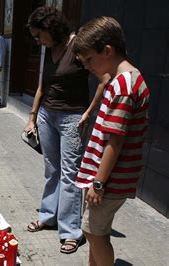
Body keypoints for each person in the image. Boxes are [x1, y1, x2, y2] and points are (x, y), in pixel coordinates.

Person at [24, 6, 107, 254]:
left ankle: (71, 231)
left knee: (70, 174)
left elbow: (104, 79)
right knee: (52, 170)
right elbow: (42, 86)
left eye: (40, 35)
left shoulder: (77, 45)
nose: (38, 41)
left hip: (72, 118)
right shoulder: (48, 51)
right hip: (46, 116)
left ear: (51, 27)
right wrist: (32, 118)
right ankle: (48, 216)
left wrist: (88, 112)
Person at [73, 17, 150, 266]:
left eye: (89, 60)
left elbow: (115, 141)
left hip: (110, 179)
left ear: (107, 50)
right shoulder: (122, 79)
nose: (87, 67)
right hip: (111, 178)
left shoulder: (123, 86)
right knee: (92, 230)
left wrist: (98, 182)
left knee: (96, 232)